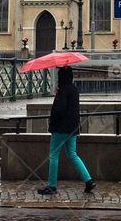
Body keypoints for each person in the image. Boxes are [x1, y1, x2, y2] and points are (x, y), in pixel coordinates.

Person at [38, 66, 95, 195]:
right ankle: (88, 181)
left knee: (53, 155)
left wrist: (58, 95)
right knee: (73, 155)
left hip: (60, 129)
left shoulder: (62, 90)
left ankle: (52, 186)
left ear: (60, 77)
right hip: (73, 128)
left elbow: (60, 109)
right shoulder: (74, 89)